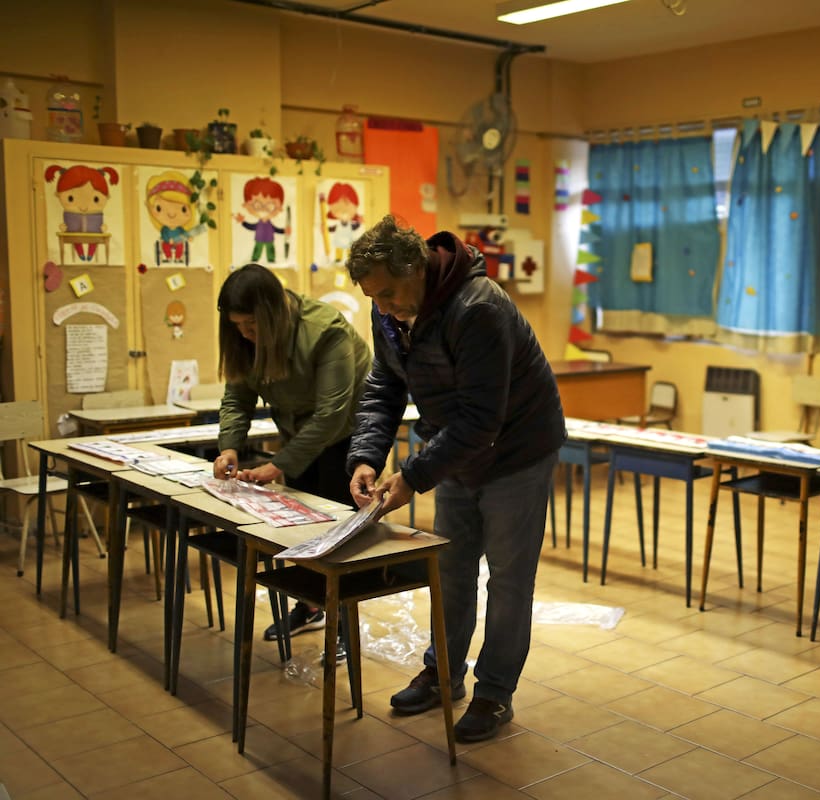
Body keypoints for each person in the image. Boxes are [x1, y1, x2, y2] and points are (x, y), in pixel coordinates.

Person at [345, 216, 564, 743]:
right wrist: (367, 456)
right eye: (373, 298)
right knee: (450, 568)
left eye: (388, 293)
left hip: (518, 451)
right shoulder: (390, 311)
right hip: (459, 449)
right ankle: (443, 674)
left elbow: (482, 420)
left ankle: (494, 692)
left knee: (508, 580)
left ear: (416, 268)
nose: (383, 307)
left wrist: (413, 476)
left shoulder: (478, 308)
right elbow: (384, 386)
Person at [212, 263, 371, 649]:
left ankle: (343, 625)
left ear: (273, 313)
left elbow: (331, 414)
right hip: (300, 435)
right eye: (237, 326)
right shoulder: (245, 338)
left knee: (338, 532)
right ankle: (311, 606)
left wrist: (278, 465)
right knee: (301, 529)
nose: (245, 334)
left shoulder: (326, 331)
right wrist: (229, 445)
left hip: (347, 434)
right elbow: (237, 397)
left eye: (251, 325)